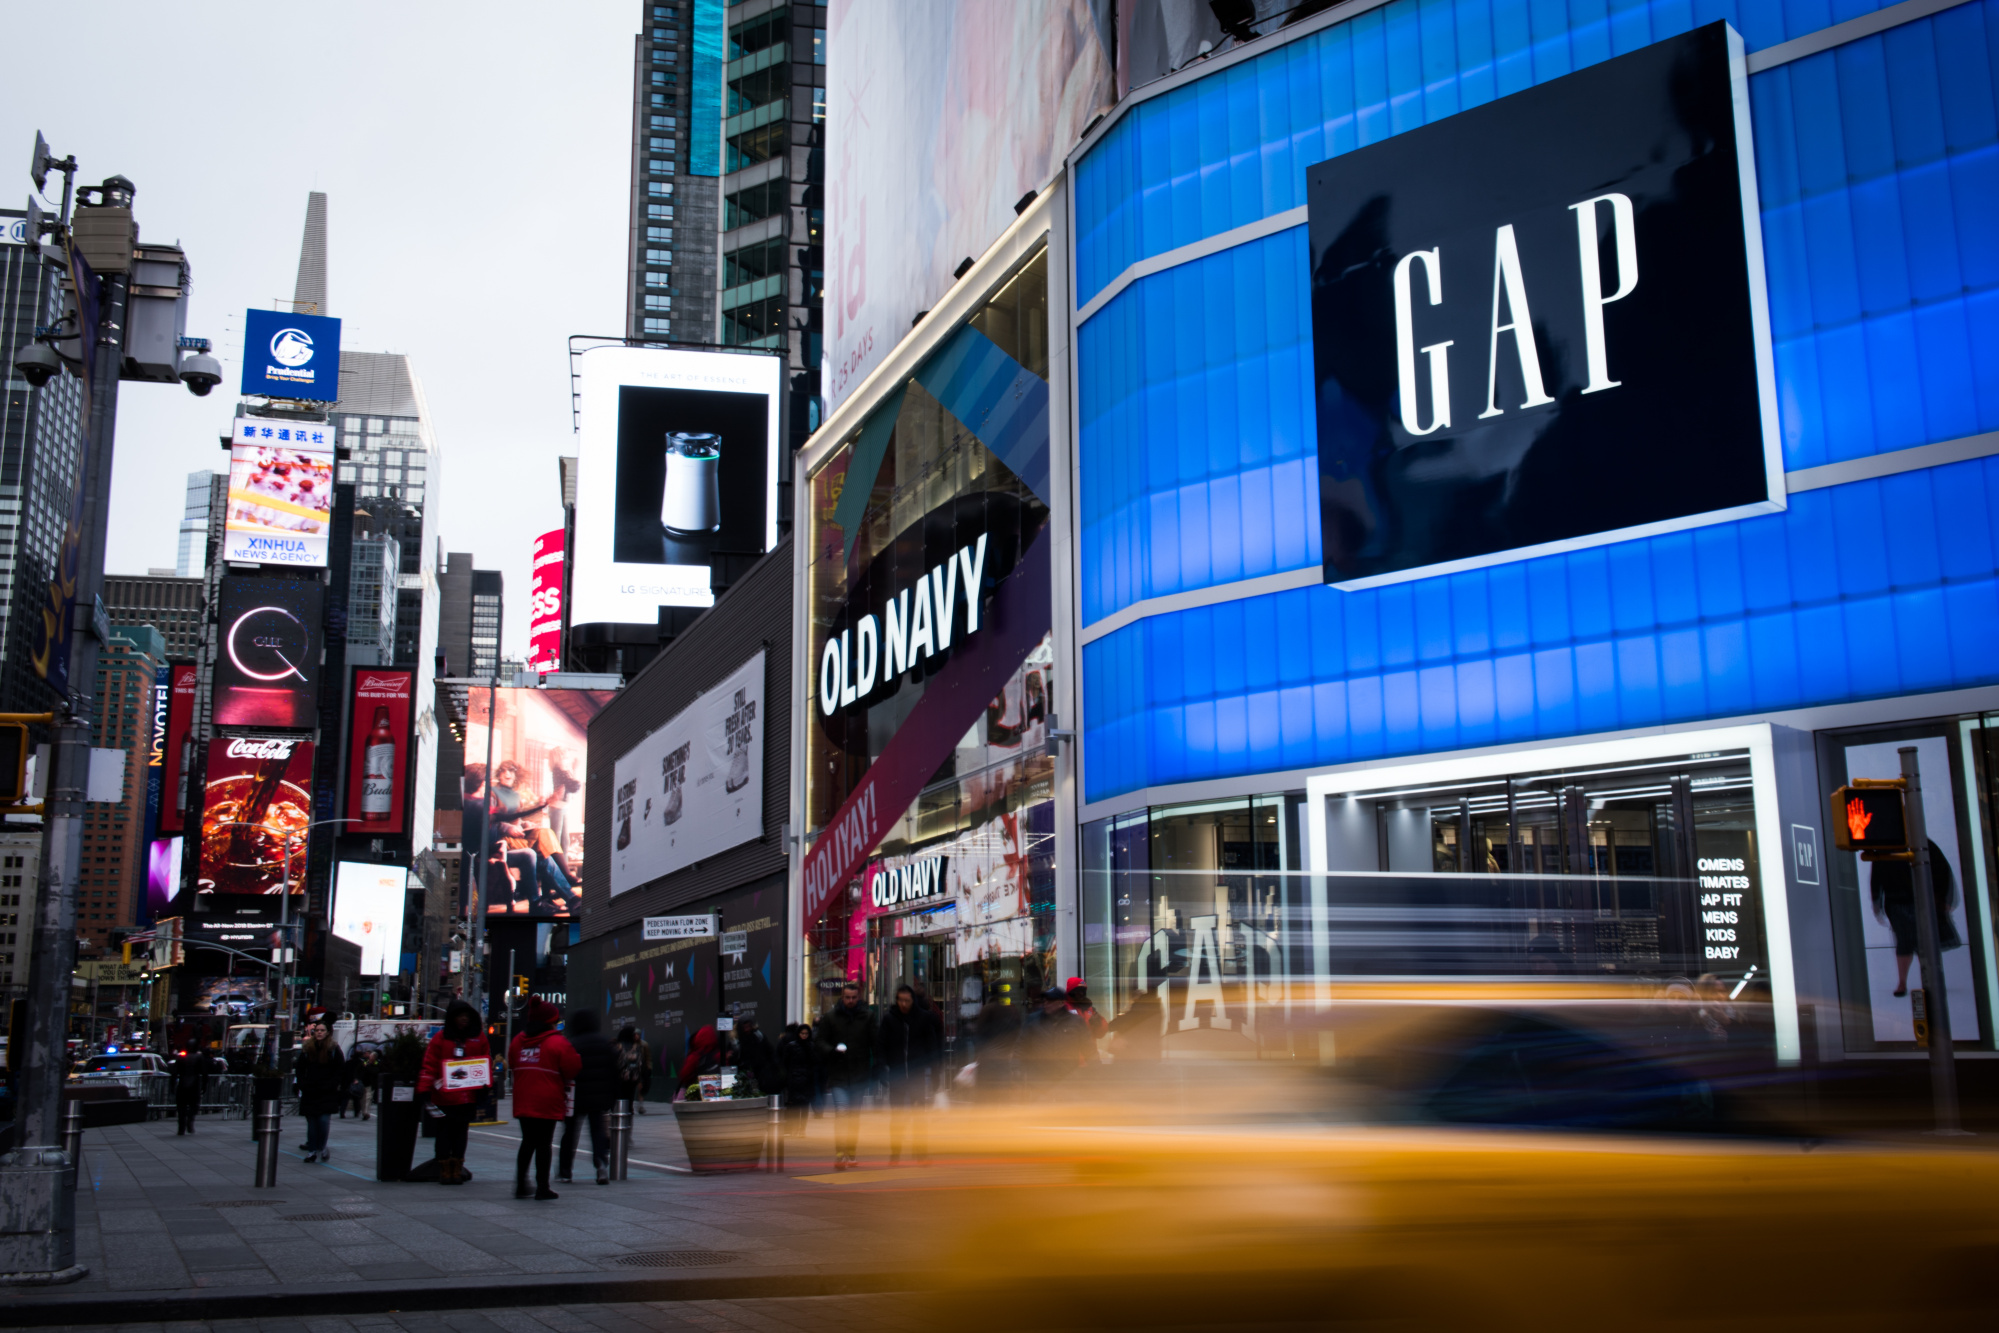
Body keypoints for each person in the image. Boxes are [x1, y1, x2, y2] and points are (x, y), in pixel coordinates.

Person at [1870, 840, 1963, 996]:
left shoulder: (1913, 843)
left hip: (1914, 899)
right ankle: (1911, 981)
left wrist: (1876, 901)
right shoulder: (1916, 842)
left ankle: (1914, 981)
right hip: (1906, 899)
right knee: (1916, 941)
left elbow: (1942, 869)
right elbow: (1942, 869)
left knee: (1920, 941)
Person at [508, 998, 579, 1200]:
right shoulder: (557, 1042)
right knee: (544, 1143)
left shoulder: (517, 1042)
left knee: (527, 1141)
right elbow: (572, 1068)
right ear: (550, 1021)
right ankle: (542, 1187)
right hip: (547, 1099)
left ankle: (521, 1183)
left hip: (524, 1099)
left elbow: (512, 1064)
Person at [415, 999, 491, 1186]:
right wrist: (424, 1089)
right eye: (460, 1016)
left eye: (466, 1016)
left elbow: (485, 1061)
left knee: (460, 1132)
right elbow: (430, 1065)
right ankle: (445, 1168)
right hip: (445, 1096)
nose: (464, 1019)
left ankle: (456, 1167)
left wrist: (485, 1087)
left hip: (467, 1096)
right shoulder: (440, 1038)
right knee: (444, 1133)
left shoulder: (478, 1037)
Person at [877, 985, 943, 1164]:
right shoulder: (890, 1019)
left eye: (907, 1000)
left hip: (916, 1075)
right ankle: (895, 1153)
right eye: (900, 1000)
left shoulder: (922, 1018)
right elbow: (881, 1046)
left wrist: (935, 1072)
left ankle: (921, 1153)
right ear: (896, 1000)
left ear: (913, 1000)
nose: (903, 1004)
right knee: (897, 1116)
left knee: (919, 1116)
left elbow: (932, 1047)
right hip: (897, 1075)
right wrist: (882, 1068)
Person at [813, 982, 874, 1170]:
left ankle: (851, 1152)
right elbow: (820, 1040)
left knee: (853, 1115)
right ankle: (841, 1153)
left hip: (858, 1074)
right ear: (842, 998)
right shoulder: (831, 1017)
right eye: (847, 997)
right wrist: (832, 1051)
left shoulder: (867, 1017)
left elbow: (875, 1042)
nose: (850, 1001)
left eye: (854, 997)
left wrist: (876, 1064)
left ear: (859, 997)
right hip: (839, 1073)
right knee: (842, 1112)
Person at [559, 1009, 618, 1186]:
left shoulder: (572, 1043)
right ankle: (601, 1165)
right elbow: (614, 1072)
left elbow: (565, 1069)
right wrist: (611, 1097)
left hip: (575, 1097)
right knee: (597, 1131)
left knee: (570, 1134)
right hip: (598, 1097)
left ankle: (565, 1171)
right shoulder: (605, 1043)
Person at [292, 1017, 347, 1163]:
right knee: (311, 1124)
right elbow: (300, 1068)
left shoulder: (333, 1049)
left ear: (328, 1032)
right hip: (310, 1091)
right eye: (317, 1030)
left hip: (327, 1092)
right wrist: (302, 1084)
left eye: (322, 1030)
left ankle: (322, 1147)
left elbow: (340, 1069)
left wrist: (333, 1084)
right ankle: (312, 1151)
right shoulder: (307, 1048)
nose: (319, 1033)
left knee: (323, 1121)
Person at [1020, 986, 1093, 1084]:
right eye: (1044, 1000)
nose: (1046, 1003)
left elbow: (1089, 1049)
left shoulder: (1076, 1022)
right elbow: (1021, 1048)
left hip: (1067, 1080)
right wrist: (1018, 1071)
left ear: (1061, 1003)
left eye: (1050, 1001)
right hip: (1040, 1081)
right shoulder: (1033, 1020)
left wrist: (1092, 1072)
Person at [776, 1022, 818, 1133]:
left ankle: (801, 1129)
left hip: (805, 1079)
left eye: (806, 1033)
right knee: (796, 1105)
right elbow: (786, 1063)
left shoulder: (810, 1046)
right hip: (795, 1079)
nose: (804, 1036)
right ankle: (796, 1128)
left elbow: (815, 1062)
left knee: (803, 1105)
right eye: (802, 1033)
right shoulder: (792, 1046)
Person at [734, 1017, 780, 1097]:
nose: (747, 1029)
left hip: (761, 1073)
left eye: (749, 1026)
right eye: (745, 1027)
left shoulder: (758, 1037)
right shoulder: (737, 1041)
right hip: (745, 1074)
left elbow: (769, 1052)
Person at [678, 1024, 725, 1093]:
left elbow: (685, 1075)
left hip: (698, 1093)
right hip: (720, 1093)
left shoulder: (695, 1056)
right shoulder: (719, 1054)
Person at [171, 1048, 207, 1135]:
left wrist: (172, 1086)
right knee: (193, 1105)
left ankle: (181, 1127)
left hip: (182, 1084)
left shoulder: (181, 1058)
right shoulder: (199, 1057)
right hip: (195, 1084)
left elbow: (174, 1073)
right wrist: (204, 1085)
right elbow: (205, 1073)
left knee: (181, 1107)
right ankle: (189, 1121)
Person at [614, 1025, 647, 1113]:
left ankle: (620, 1114)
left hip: (620, 1078)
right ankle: (629, 1114)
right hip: (632, 1078)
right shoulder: (637, 1047)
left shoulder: (618, 1046)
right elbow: (641, 1063)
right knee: (630, 1098)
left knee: (620, 1098)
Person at [1066, 978, 1109, 1042]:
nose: (1081, 994)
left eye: (1083, 991)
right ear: (1071, 992)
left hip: (1089, 1049)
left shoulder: (1089, 1008)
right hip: (1071, 1049)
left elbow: (1101, 1033)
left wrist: (1099, 1023)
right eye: (1078, 991)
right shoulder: (1064, 1007)